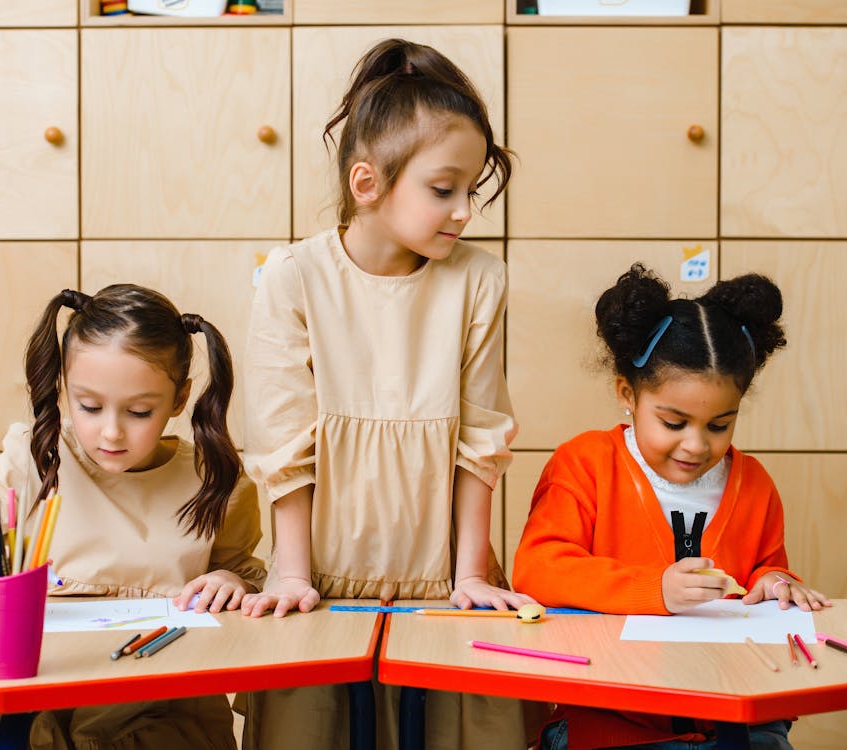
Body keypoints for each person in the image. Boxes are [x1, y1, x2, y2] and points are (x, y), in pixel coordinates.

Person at [238, 37, 537, 750]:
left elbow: (480, 440)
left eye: (473, 190)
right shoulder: (294, 277)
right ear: (367, 183)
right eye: (444, 189)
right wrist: (291, 574)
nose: (464, 210)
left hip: (443, 582)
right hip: (321, 583)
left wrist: (469, 573)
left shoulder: (478, 280)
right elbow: (284, 444)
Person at [0, 284, 266, 750]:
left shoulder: (216, 482)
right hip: (39, 691)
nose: (110, 431)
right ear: (63, 389)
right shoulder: (33, 458)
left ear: (179, 399)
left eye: (139, 411)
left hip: (162, 704)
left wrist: (233, 584)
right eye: (88, 406)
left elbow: (246, 576)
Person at [513, 263, 832, 750]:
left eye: (720, 425)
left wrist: (776, 583)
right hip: (612, 721)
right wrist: (654, 589)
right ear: (627, 394)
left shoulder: (754, 484)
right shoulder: (584, 465)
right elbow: (538, 569)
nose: (697, 445)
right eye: (674, 422)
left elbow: (765, 574)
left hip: (737, 721)